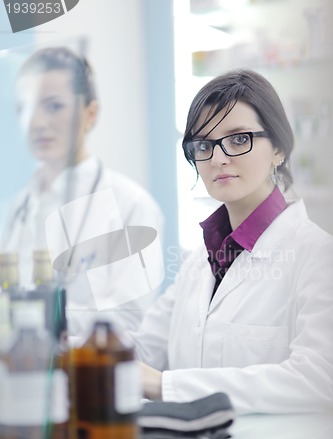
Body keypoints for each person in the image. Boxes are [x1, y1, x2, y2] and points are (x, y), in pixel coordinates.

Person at [132, 69, 333, 414]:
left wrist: (165, 385)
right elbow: (142, 349)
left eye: (239, 139)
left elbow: (319, 379)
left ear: (279, 149)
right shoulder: (201, 260)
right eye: (204, 145)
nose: (219, 158)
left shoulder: (317, 255)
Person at [1, 46, 164, 338]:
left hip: (89, 377)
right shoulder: (17, 207)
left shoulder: (131, 206)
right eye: (25, 107)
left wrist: (37, 315)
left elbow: (130, 321)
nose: (37, 122)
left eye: (53, 106)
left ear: (90, 113)